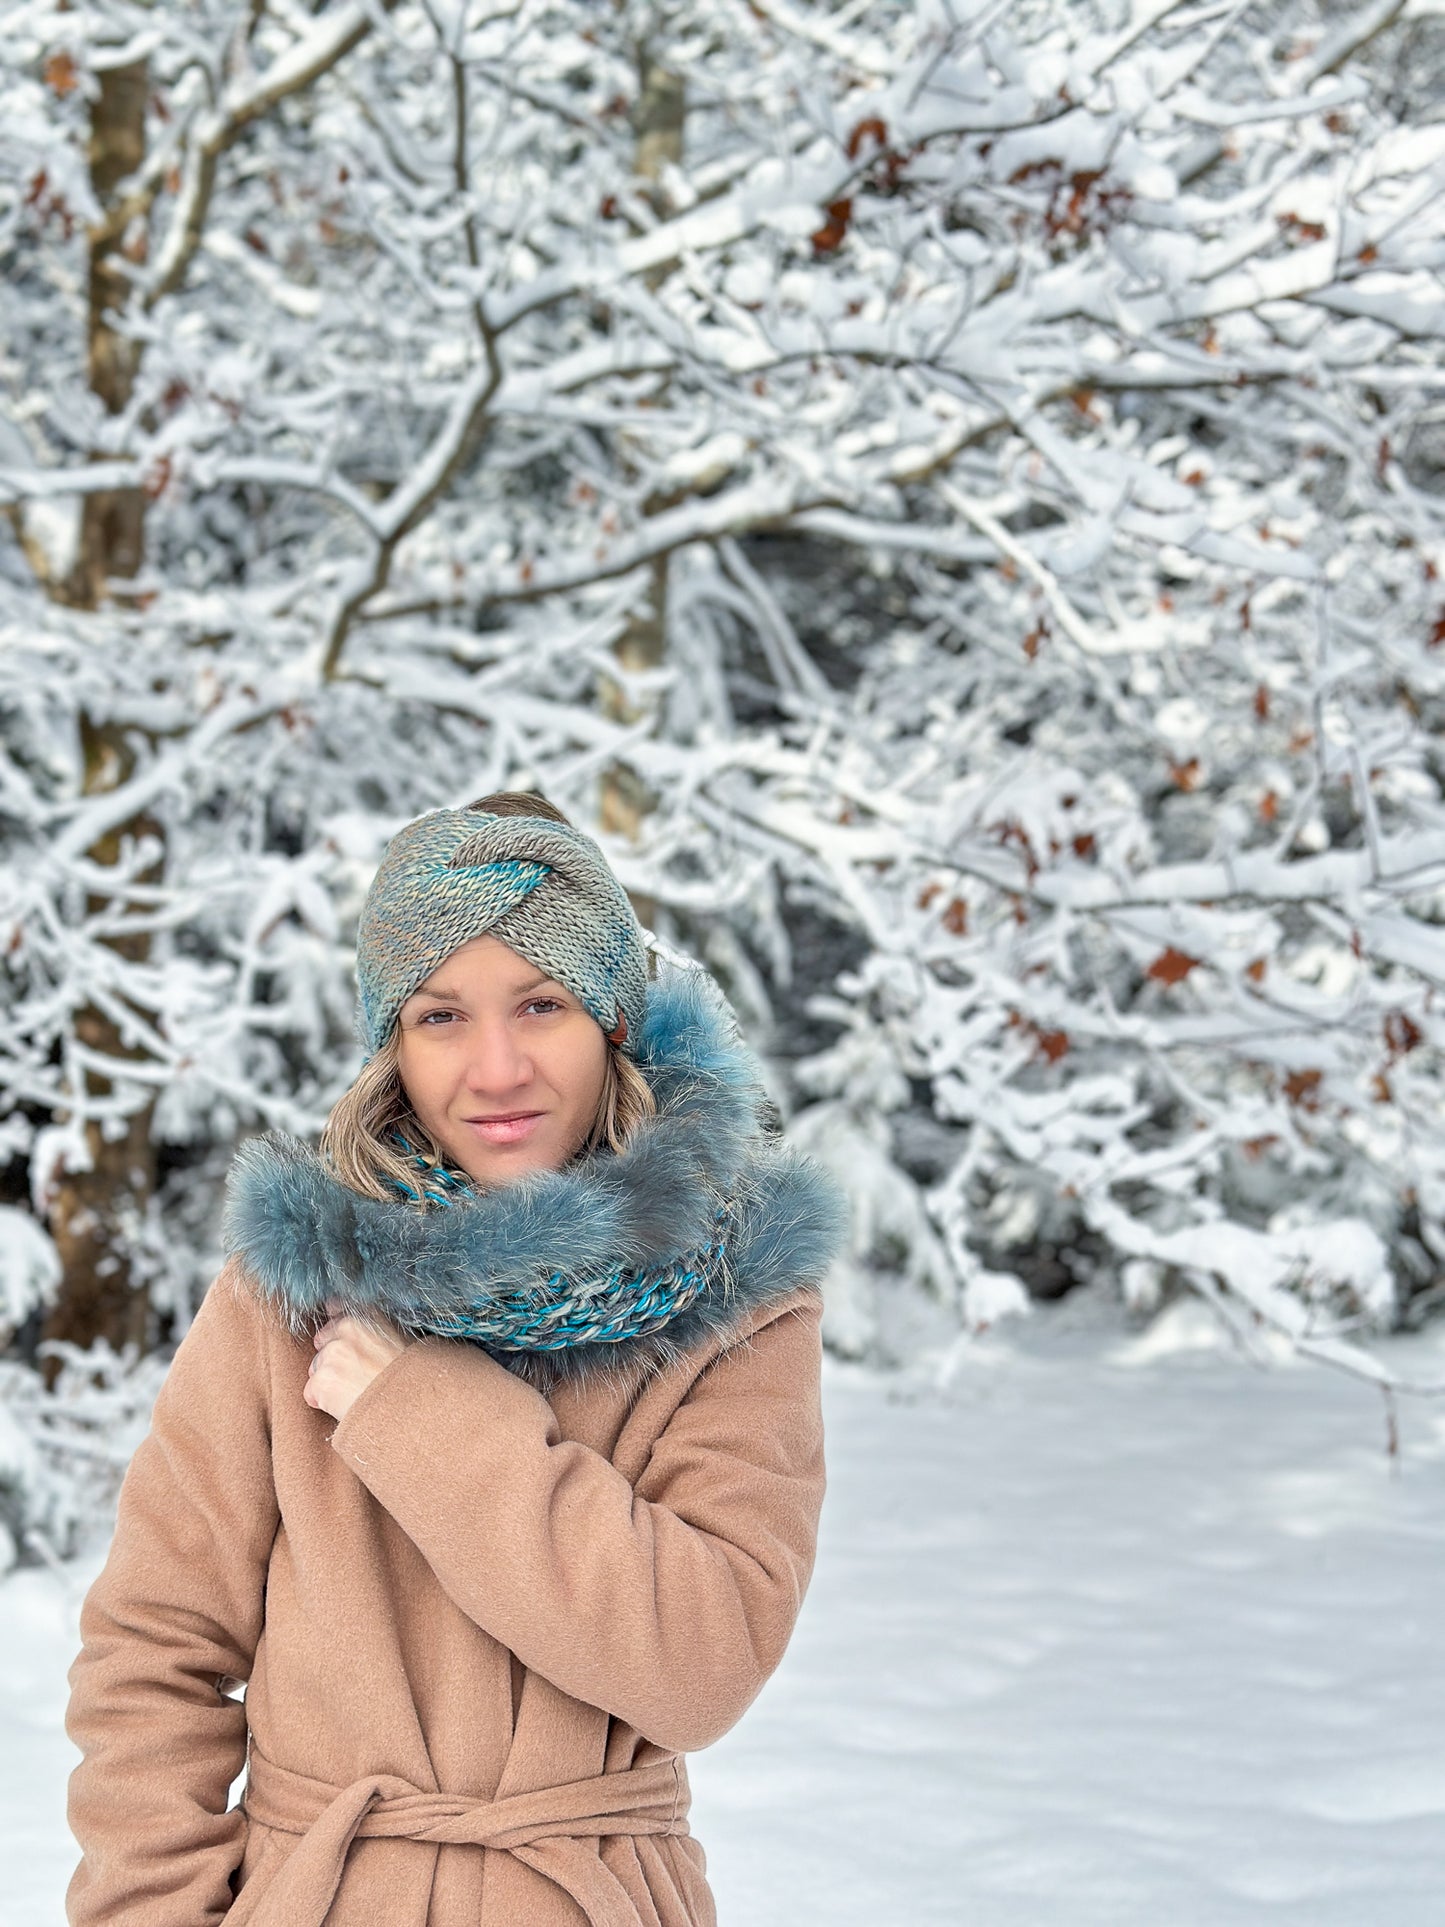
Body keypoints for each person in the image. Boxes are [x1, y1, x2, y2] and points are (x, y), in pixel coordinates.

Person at [63, 791, 848, 1927]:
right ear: (392, 1044)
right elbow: (154, 1648)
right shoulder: (296, 1284)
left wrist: (422, 1412)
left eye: (539, 1004)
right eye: (440, 1016)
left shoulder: (733, 1293)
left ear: (613, 1019)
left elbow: (701, 1659)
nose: (495, 1069)